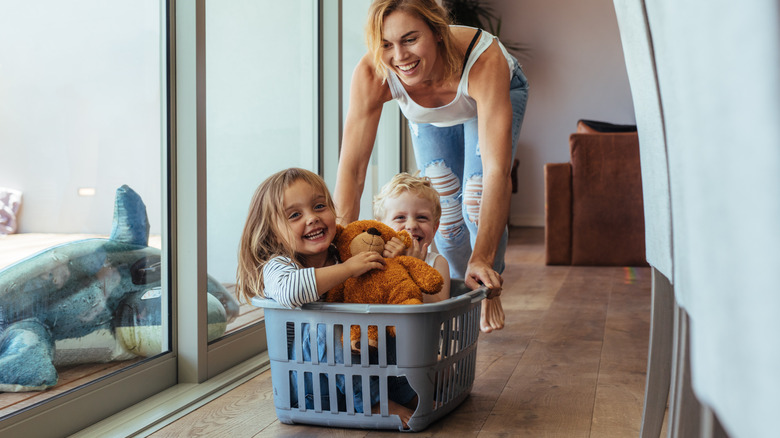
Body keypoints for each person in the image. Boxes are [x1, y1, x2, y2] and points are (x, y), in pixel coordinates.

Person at [334, 0, 529, 333]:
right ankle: (456, 296)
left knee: (474, 199)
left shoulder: (484, 60)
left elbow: (498, 172)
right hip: (432, 118)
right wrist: (337, 253)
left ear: (437, 32)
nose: (399, 56)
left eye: (410, 39)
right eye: (386, 45)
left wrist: (481, 256)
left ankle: (486, 282)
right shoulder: (374, 72)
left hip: (491, 92)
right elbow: (352, 170)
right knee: (446, 216)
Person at [235, 167, 417, 427]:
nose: (312, 218)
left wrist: (391, 258)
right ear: (273, 232)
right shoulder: (279, 265)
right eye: (295, 215)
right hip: (312, 388)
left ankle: (404, 393)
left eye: (320, 206)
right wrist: (349, 269)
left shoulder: (343, 252)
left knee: (382, 323)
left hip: (358, 379)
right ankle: (375, 403)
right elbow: (291, 291)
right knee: (325, 324)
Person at [373, 172, 451, 302]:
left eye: (422, 217)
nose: (411, 225)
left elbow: (439, 307)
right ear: (381, 227)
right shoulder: (375, 258)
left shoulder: (437, 263)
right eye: (400, 218)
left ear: (435, 228)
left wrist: (413, 267)